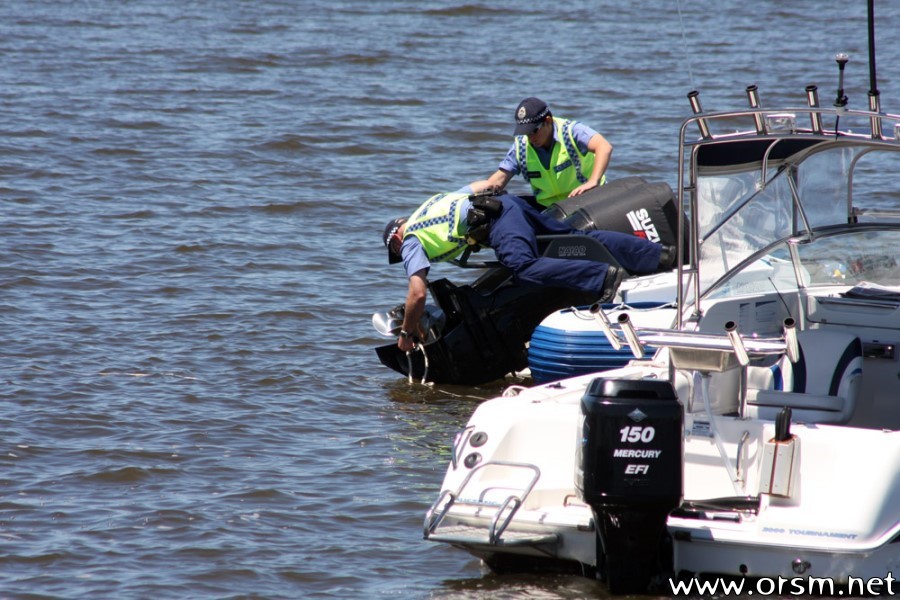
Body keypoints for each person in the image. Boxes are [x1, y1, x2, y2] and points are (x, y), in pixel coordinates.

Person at [382, 187, 672, 352]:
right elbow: (483, 184)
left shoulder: (410, 241)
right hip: (508, 203)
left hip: (497, 220)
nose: (400, 255)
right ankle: (657, 256)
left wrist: (406, 334)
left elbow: (418, 294)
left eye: (396, 251)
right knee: (575, 240)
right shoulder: (428, 207)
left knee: (521, 266)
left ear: (395, 240)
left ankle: (603, 279)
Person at [470, 97, 613, 208]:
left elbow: (604, 147)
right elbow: (497, 181)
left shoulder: (571, 131)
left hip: (588, 201)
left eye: (534, 131)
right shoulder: (521, 147)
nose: (530, 137)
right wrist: (468, 196)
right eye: (525, 132)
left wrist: (593, 181)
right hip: (551, 210)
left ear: (548, 121)